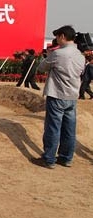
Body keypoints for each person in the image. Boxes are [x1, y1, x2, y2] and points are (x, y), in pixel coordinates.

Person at [34, 25, 85, 169]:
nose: (56, 40)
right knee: (69, 129)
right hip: (72, 96)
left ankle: (49, 159)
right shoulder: (80, 56)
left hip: (57, 95)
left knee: (53, 128)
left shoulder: (58, 54)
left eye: (57, 37)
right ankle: (66, 158)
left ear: (62, 36)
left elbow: (41, 67)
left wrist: (50, 54)